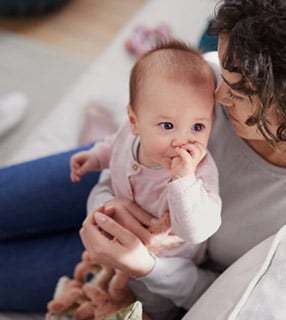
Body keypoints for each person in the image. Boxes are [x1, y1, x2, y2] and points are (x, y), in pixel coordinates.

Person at [0, 0, 286, 316]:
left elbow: (218, 294)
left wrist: (144, 265)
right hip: (121, 175)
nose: (215, 93)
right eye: (223, 71)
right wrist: (106, 186)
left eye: (237, 90)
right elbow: (149, 115)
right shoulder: (223, 75)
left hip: (141, 260)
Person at [58, 41, 221, 318]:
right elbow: (114, 146)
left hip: (162, 272)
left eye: (198, 126)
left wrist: (184, 181)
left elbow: (198, 230)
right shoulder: (129, 134)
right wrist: (96, 157)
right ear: (134, 121)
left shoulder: (199, 172)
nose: (183, 140)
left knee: (141, 310)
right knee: (95, 285)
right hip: (112, 250)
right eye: (168, 126)